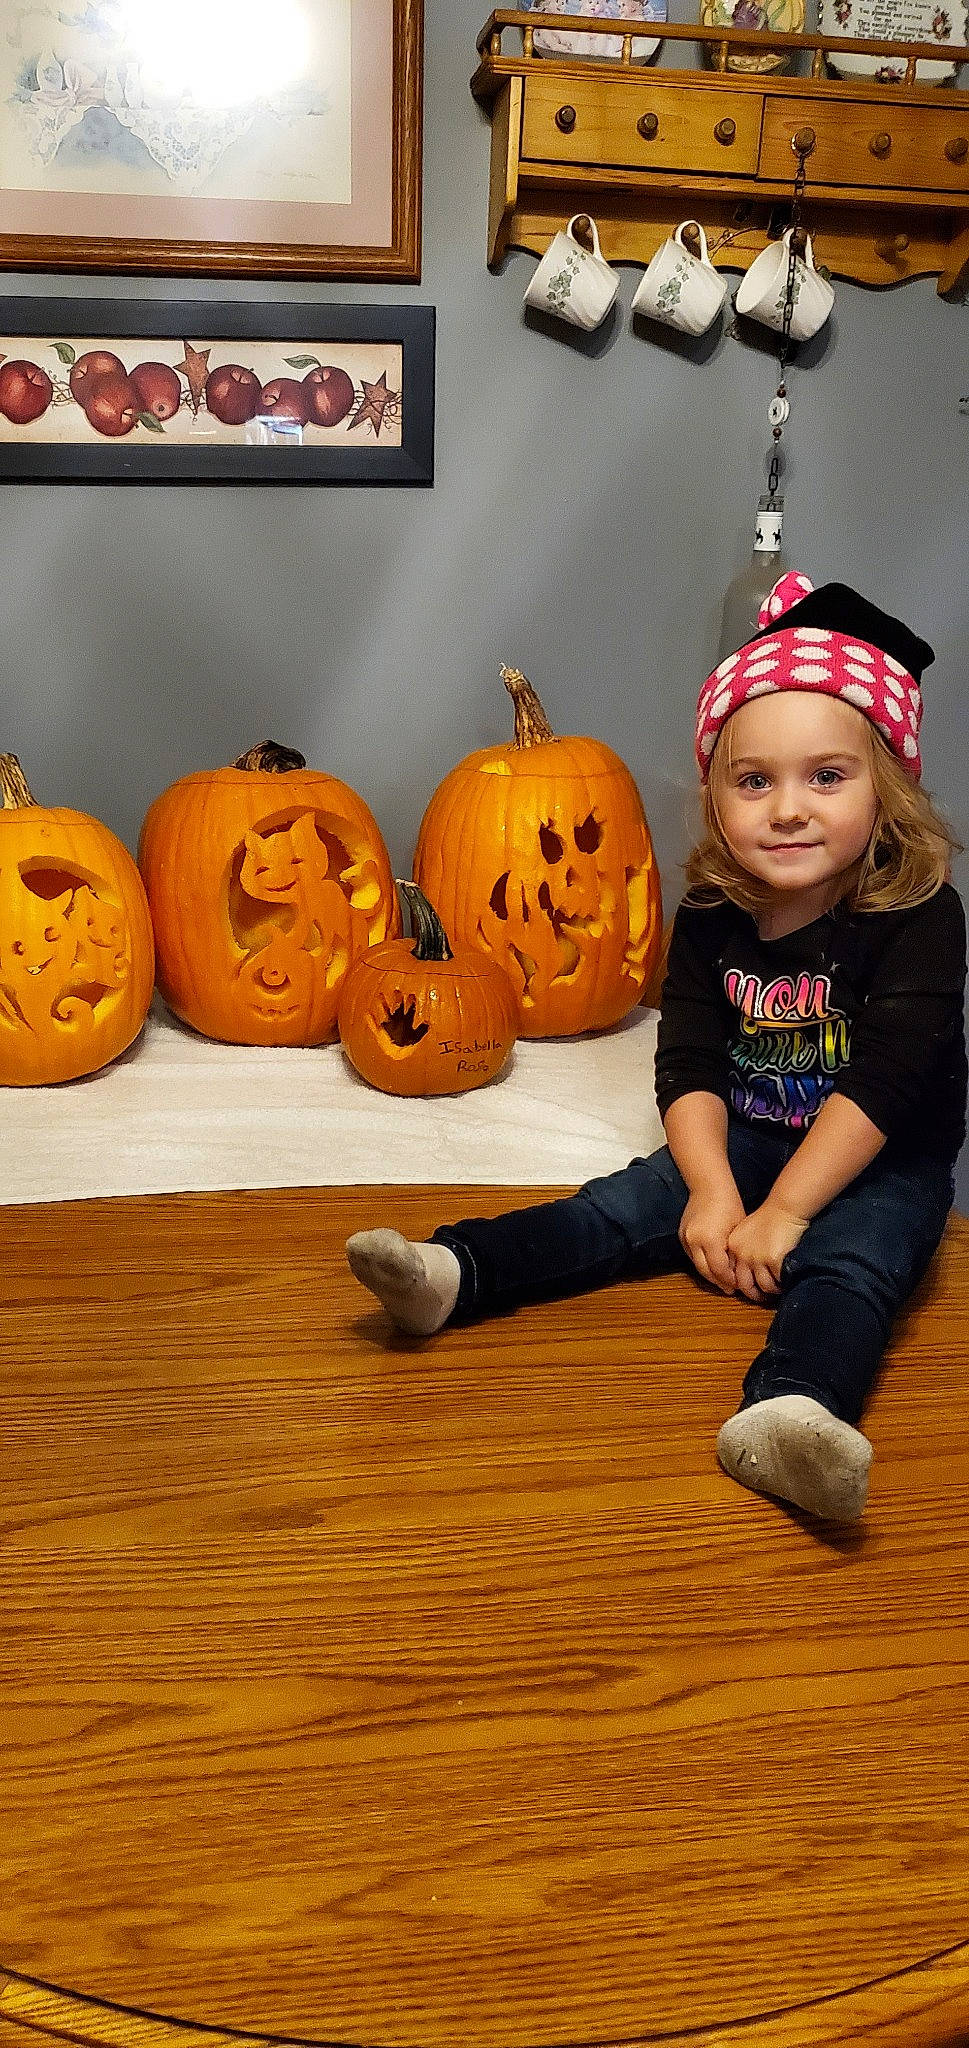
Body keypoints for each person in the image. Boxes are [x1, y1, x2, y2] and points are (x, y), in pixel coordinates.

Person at [346, 574, 968, 1524]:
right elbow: (687, 1061)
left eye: (826, 777)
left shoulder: (918, 914)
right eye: (753, 779)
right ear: (715, 793)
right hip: (752, 1135)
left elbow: (887, 1082)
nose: (787, 807)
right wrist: (716, 1192)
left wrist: (788, 1212)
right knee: (620, 1205)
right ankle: (451, 1273)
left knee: (856, 1262)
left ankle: (790, 1413)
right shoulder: (717, 912)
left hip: (878, 1158)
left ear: (886, 787)